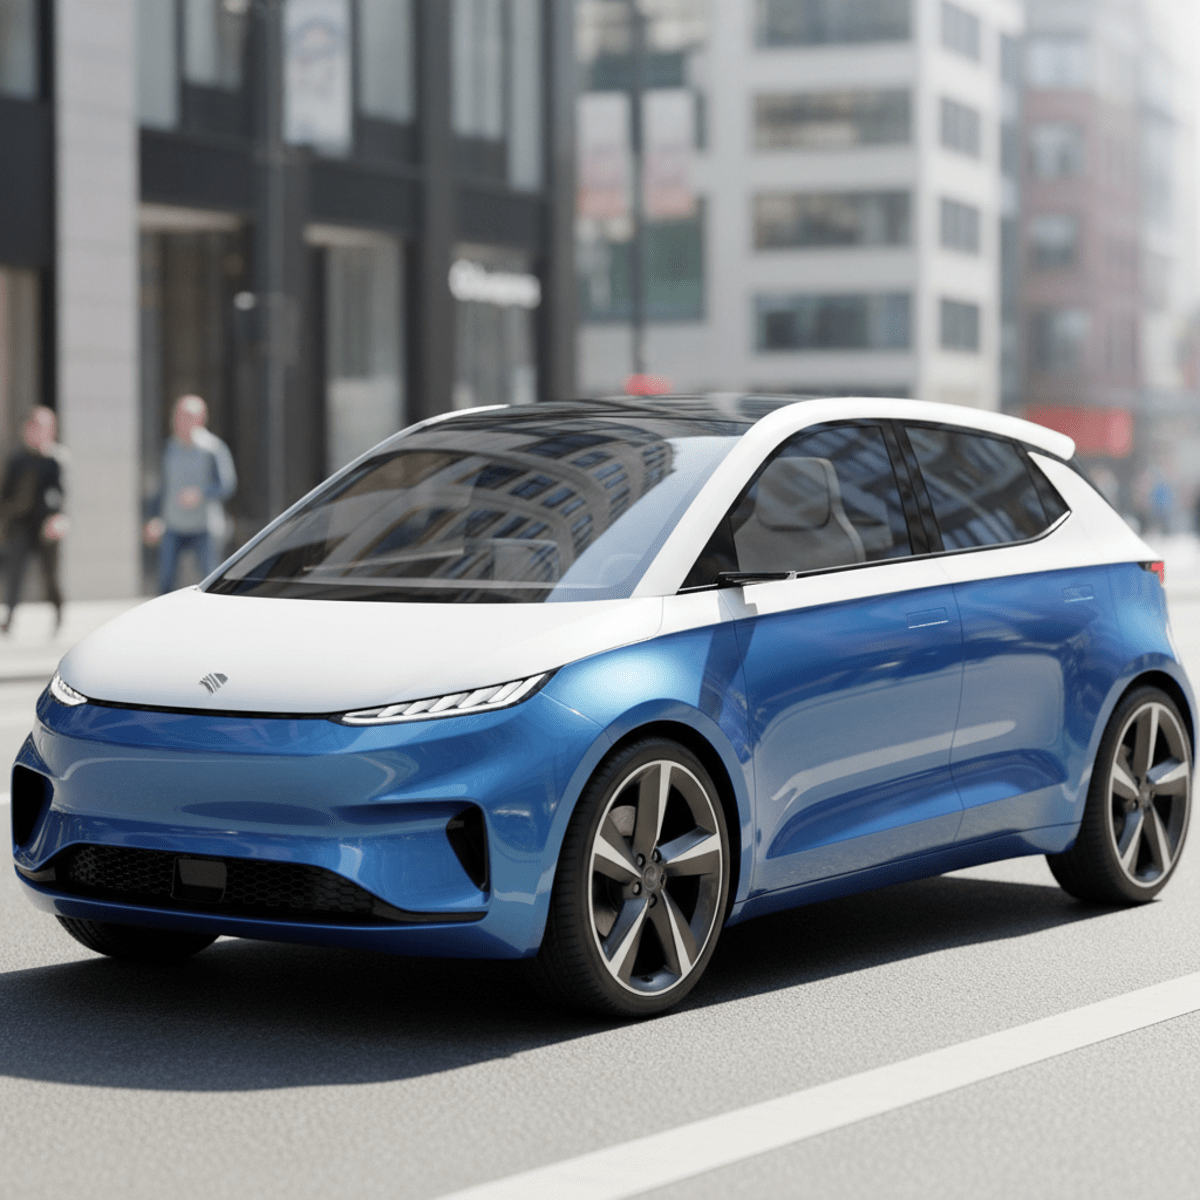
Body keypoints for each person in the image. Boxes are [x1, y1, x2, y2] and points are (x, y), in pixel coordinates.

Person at [144, 394, 237, 594]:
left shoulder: (213, 449)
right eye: (177, 415)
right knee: (165, 584)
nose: (180, 420)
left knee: (210, 584)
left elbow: (227, 485)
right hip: (172, 526)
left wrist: (200, 494)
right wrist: (153, 517)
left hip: (203, 528)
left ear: (200, 419)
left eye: (186, 416)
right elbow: (161, 488)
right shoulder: (169, 448)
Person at [0, 407, 68, 634]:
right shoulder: (17, 459)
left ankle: (58, 612)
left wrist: (57, 517)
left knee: (50, 576)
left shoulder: (55, 459)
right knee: (15, 572)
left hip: (45, 525)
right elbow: (6, 493)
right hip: (21, 524)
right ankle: (9, 616)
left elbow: (58, 493)